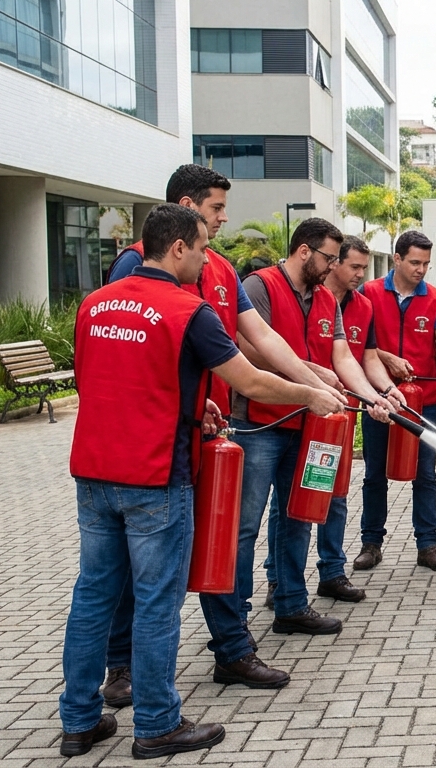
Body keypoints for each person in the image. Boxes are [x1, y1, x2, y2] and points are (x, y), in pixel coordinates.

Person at [59, 204, 343, 759]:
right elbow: (251, 380)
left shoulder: (93, 305)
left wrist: (193, 412)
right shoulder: (188, 310)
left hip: (93, 472)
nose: (208, 259)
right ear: (179, 248)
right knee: (157, 603)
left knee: (92, 598)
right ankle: (158, 724)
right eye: (203, 246)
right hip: (156, 477)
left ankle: (78, 722)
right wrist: (310, 393)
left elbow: (112, 378)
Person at [229, 218, 398, 642]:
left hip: (310, 426)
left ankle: (290, 606)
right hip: (260, 423)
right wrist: (311, 381)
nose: (333, 266)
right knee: (245, 526)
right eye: (329, 257)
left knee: (298, 516)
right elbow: (250, 352)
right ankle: (234, 623)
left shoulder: (326, 299)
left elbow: (343, 359)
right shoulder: (259, 287)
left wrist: (371, 397)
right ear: (304, 250)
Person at [353, 231, 436, 572]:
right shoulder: (368, 293)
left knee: (426, 475)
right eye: (415, 262)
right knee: (374, 474)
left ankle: (427, 545)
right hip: (380, 399)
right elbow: (358, 343)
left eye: (426, 264)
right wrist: (387, 359)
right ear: (397, 259)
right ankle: (371, 544)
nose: (421, 270)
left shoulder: (435, 298)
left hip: (424, 403)